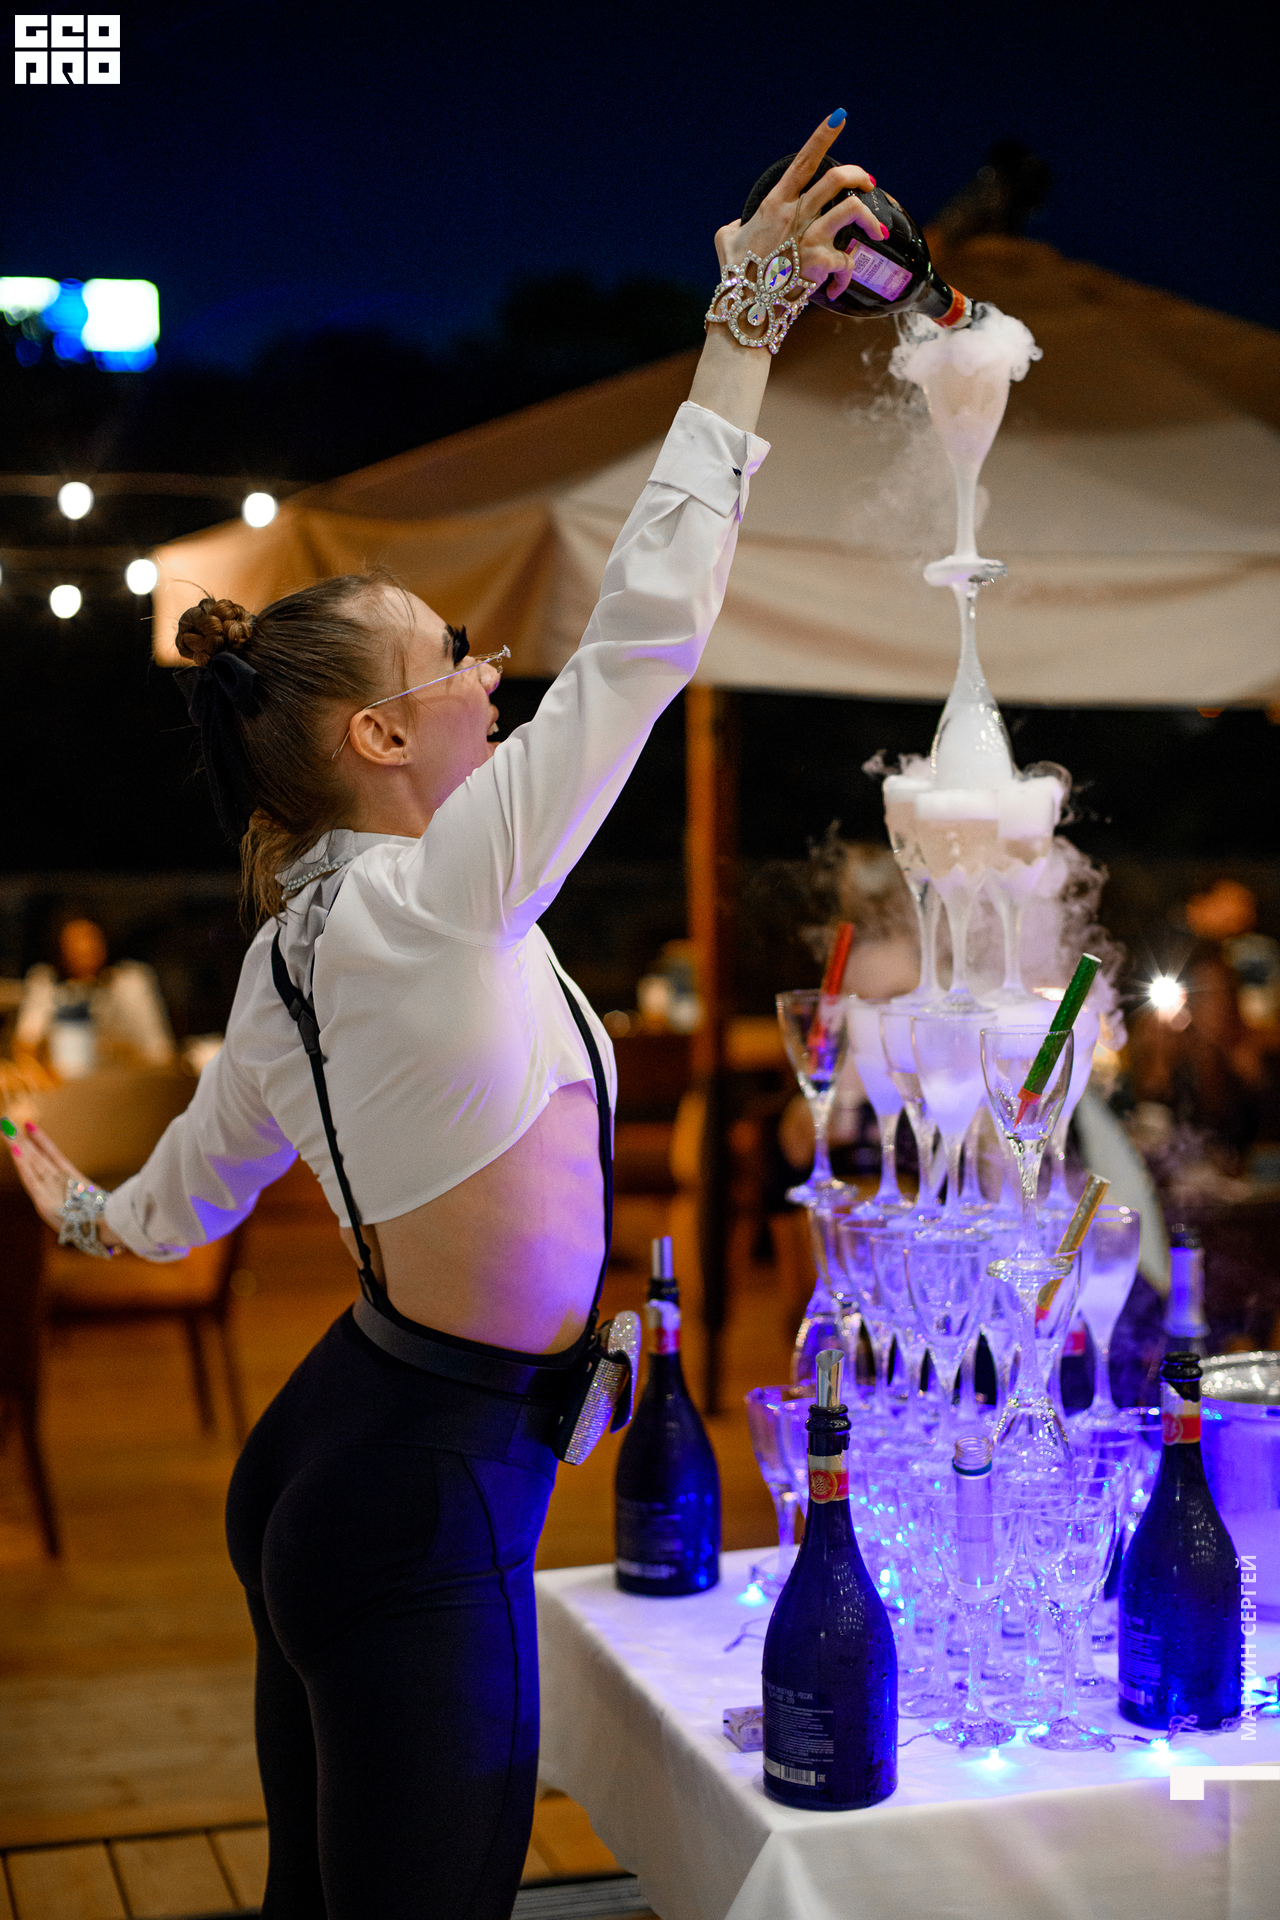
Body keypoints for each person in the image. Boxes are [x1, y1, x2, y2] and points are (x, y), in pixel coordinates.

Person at [4, 116, 885, 1920]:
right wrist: (742, 329)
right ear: (381, 738)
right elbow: (642, 641)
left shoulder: (297, 948)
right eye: (454, 660)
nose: (495, 673)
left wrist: (55, 1189)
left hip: (335, 1454)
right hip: (423, 1499)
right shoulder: (435, 898)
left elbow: (176, 1205)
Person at [13, 916, 176, 1082]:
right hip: (67, 1085)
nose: (83, 949)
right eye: (73, 943)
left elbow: (160, 1052)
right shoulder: (47, 983)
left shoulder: (130, 982)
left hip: (127, 1083)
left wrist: (116, 1053)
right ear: (60, 949)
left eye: (90, 939)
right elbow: (26, 1044)